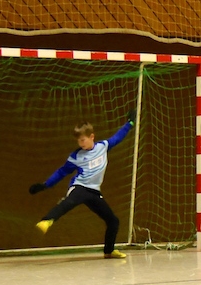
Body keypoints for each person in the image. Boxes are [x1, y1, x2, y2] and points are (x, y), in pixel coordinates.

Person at [29, 109, 137, 259]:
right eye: (78, 141)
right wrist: (46, 185)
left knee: (113, 220)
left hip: (94, 191)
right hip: (80, 187)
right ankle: (47, 220)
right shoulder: (76, 156)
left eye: (83, 140)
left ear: (92, 136)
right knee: (69, 202)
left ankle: (109, 251)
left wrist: (130, 123)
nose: (81, 144)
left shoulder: (103, 146)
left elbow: (118, 137)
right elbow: (62, 172)